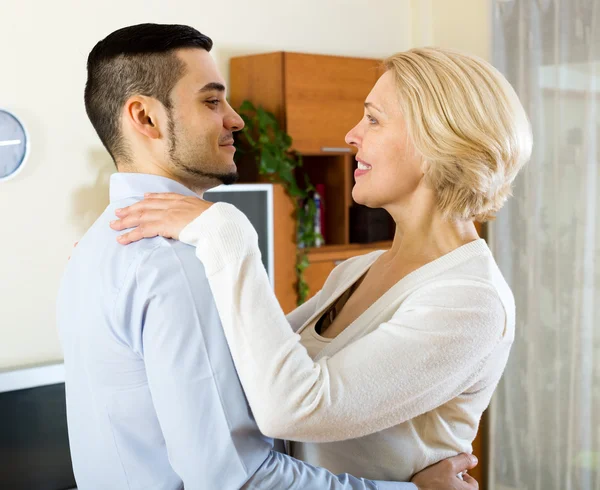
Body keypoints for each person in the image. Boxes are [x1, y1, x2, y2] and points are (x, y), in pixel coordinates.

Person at [58, 24, 478, 490]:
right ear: (147, 118)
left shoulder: (97, 247)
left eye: (374, 120)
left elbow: (272, 368)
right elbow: (240, 480)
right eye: (212, 101)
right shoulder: (178, 262)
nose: (236, 120)